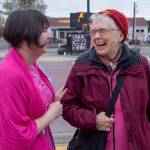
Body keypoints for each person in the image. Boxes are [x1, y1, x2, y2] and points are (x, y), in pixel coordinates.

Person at [61, 9, 150, 150]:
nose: (96, 36)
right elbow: (67, 106)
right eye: (93, 32)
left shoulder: (140, 64)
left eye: (102, 31)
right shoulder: (82, 65)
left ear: (120, 35)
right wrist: (92, 120)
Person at [0, 9, 67, 150]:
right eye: (44, 30)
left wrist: (52, 101)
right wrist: (50, 114)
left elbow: (29, 107)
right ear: (26, 36)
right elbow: (16, 134)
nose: (49, 35)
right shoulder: (9, 75)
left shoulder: (32, 66)